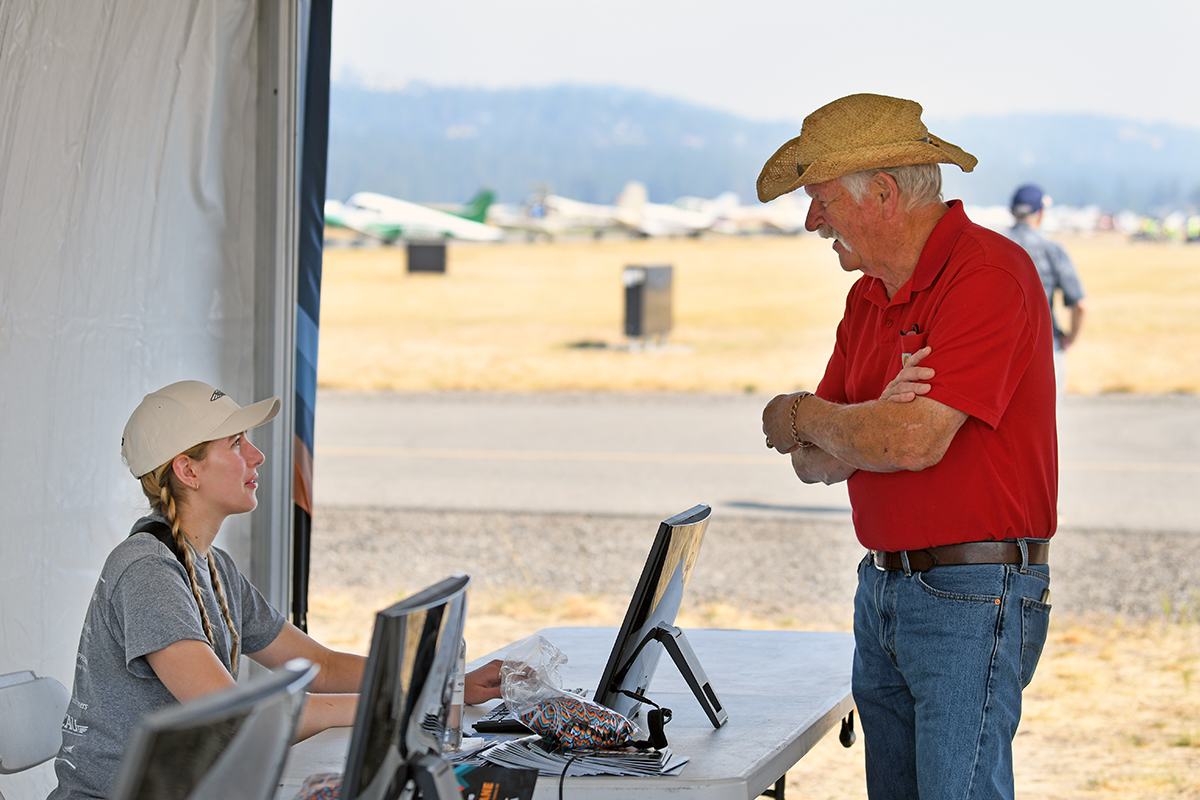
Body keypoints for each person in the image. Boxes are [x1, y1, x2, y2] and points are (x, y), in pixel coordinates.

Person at [757, 94, 1057, 800]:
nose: (811, 220)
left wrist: (805, 410)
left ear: (883, 194)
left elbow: (911, 442)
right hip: (885, 588)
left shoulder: (987, 274)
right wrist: (865, 422)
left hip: (971, 594)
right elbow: (813, 464)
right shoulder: (868, 298)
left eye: (821, 199)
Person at [49, 380, 503, 800]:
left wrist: (440, 683)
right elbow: (232, 716)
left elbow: (319, 666)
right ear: (188, 470)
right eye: (236, 444)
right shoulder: (148, 572)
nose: (257, 456)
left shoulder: (213, 567)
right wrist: (394, 705)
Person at [1004, 183, 1087, 399]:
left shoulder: (995, 246)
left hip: (1001, 349)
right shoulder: (1052, 250)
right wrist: (1069, 339)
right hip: (1045, 346)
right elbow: (1080, 304)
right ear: (1040, 213)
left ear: (1013, 211)